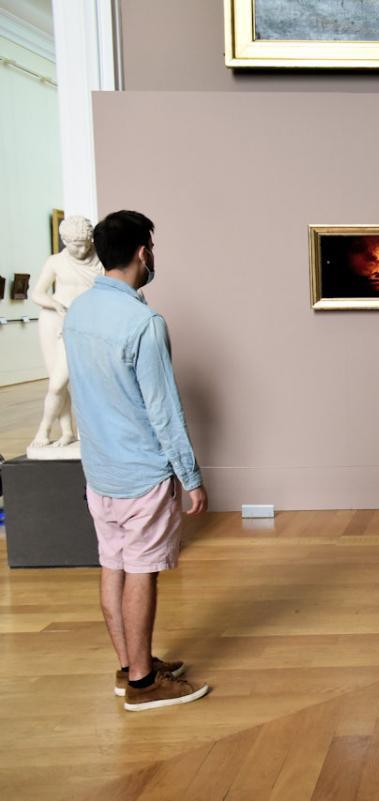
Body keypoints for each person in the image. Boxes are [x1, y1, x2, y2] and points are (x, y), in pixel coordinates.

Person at [63, 210, 210, 711]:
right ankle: (145, 684)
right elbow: (164, 411)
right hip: (142, 474)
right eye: (152, 249)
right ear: (143, 252)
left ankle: (130, 665)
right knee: (142, 570)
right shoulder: (144, 323)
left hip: (99, 471)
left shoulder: (78, 312)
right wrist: (191, 477)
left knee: (113, 565)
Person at [27, 215, 103, 455]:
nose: (81, 250)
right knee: (56, 381)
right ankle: (66, 430)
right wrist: (55, 304)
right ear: (65, 241)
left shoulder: (100, 261)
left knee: (75, 380)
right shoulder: (55, 262)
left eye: (85, 244)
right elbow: (37, 293)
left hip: (82, 323)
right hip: (54, 319)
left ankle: (66, 430)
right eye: (76, 245)